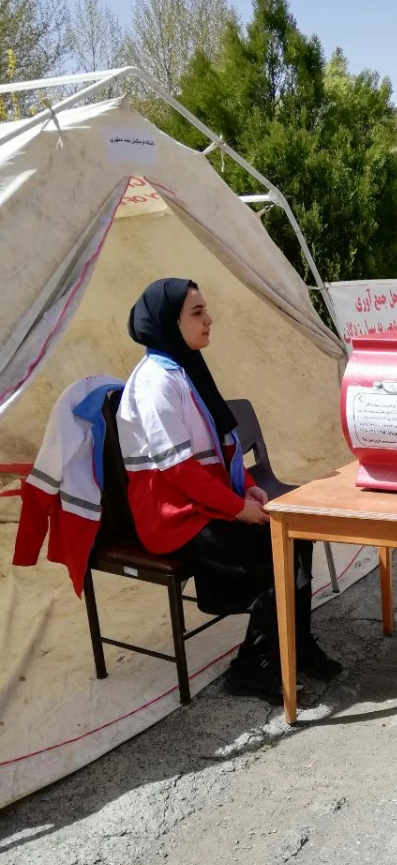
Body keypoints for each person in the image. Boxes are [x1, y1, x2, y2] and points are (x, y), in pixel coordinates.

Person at [117, 278, 341, 704]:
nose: (209, 320)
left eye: (206, 310)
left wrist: (251, 489)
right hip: (173, 518)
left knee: (297, 534)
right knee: (275, 551)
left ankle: (295, 643)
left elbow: (225, 447)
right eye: (197, 312)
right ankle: (250, 668)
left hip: (201, 505)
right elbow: (180, 471)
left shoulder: (184, 369)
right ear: (170, 321)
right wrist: (237, 508)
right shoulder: (154, 383)